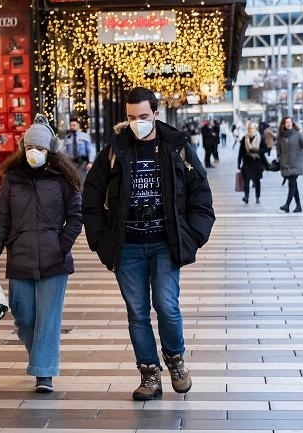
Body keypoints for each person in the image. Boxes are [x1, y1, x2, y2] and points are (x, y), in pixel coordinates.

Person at [82, 87, 215, 401]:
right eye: (131, 118)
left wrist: (193, 236)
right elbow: (90, 198)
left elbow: (200, 194)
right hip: (127, 247)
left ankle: (175, 360)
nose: (137, 123)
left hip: (165, 245)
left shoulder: (175, 147)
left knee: (167, 307)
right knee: (137, 312)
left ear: (155, 113)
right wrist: (101, 242)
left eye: (143, 116)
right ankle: (149, 373)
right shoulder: (114, 151)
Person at [0, 114, 82, 393]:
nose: (33, 154)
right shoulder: (12, 179)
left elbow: (76, 217)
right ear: (22, 148)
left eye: (39, 149)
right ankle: (41, 359)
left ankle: (44, 373)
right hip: (21, 257)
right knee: (24, 316)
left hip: (54, 259)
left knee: (48, 318)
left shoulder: (64, 179)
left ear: (50, 150)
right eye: (29, 148)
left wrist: (62, 244)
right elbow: (2, 219)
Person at [277, 116, 303, 213]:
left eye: (290, 122)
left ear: (292, 123)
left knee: (291, 184)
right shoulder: (281, 136)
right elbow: (278, 149)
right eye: (286, 122)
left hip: (296, 164)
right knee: (294, 186)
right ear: (283, 124)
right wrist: (279, 158)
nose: (289, 124)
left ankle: (287, 205)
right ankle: (298, 206)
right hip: (286, 164)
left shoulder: (298, 134)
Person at [237, 122, 264, 204]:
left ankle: (257, 197)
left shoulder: (260, 138)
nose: (250, 130)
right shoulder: (244, 139)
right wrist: (238, 162)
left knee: (257, 181)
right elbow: (240, 152)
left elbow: (266, 149)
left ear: (255, 129)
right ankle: (246, 196)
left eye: (252, 128)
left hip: (257, 162)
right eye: (249, 128)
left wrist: (258, 151)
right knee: (246, 181)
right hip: (247, 162)